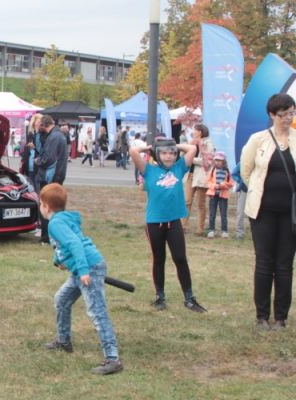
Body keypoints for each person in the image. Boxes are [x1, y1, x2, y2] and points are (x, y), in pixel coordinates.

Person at [39, 183, 122, 375]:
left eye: (40, 203)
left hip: (88, 268)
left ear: (47, 206)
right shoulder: (62, 220)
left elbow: (75, 243)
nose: (40, 207)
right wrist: (57, 261)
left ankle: (112, 358)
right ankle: (63, 341)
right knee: (62, 300)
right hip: (79, 269)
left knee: (97, 311)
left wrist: (84, 271)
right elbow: (61, 247)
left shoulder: (56, 223)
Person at [129, 137, 208, 313]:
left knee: (180, 258)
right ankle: (160, 296)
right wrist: (151, 147)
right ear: (157, 154)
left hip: (174, 222)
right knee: (159, 259)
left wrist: (173, 145)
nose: (168, 156)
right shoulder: (148, 170)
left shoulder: (179, 168)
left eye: (171, 153)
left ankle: (189, 298)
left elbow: (192, 149)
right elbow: (133, 152)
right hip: (154, 223)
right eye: (164, 153)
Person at [240, 93, 296, 330]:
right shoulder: (258, 139)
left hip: (290, 213)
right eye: (283, 114)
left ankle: (280, 317)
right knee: (264, 262)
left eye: (291, 113)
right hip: (262, 211)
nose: (287, 118)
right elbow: (246, 170)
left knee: (285, 264)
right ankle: (261, 315)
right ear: (272, 115)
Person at [34, 115, 68, 243]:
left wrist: (38, 161)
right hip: (57, 176)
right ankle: (53, 236)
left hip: (50, 177)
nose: (38, 128)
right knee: (57, 208)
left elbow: (49, 158)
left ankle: (46, 237)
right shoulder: (58, 135)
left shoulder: (54, 137)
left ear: (44, 125)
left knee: (47, 207)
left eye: (39, 125)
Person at [182, 124, 214, 235]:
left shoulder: (207, 143)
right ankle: (183, 226)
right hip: (189, 175)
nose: (193, 132)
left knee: (201, 203)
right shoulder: (192, 142)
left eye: (194, 130)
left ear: (200, 131)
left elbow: (207, 161)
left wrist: (192, 159)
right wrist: (188, 146)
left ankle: (200, 229)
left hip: (201, 177)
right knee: (186, 201)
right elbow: (182, 156)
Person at [206, 151, 233, 239]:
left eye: (219, 160)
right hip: (213, 195)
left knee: (223, 213)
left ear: (224, 161)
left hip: (223, 195)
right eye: (216, 160)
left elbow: (230, 183)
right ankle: (211, 230)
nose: (217, 162)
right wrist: (214, 186)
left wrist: (223, 185)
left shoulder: (227, 171)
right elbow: (208, 181)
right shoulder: (212, 170)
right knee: (212, 213)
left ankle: (224, 231)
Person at [231, 161, 248, 239]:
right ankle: (239, 233)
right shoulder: (243, 161)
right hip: (244, 189)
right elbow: (234, 173)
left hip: (257, 190)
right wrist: (240, 181)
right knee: (240, 211)